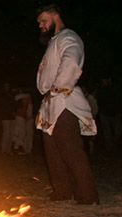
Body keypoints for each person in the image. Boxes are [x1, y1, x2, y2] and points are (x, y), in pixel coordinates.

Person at [35, 4, 99, 205]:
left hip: (64, 100)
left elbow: (71, 61)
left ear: (55, 15)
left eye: (43, 20)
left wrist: (58, 88)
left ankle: (87, 194)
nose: (41, 25)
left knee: (70, 148)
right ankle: (62, 190)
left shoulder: (68, 37)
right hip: (51, 102)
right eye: (39, 22)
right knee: (52, 150)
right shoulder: (55, 41)